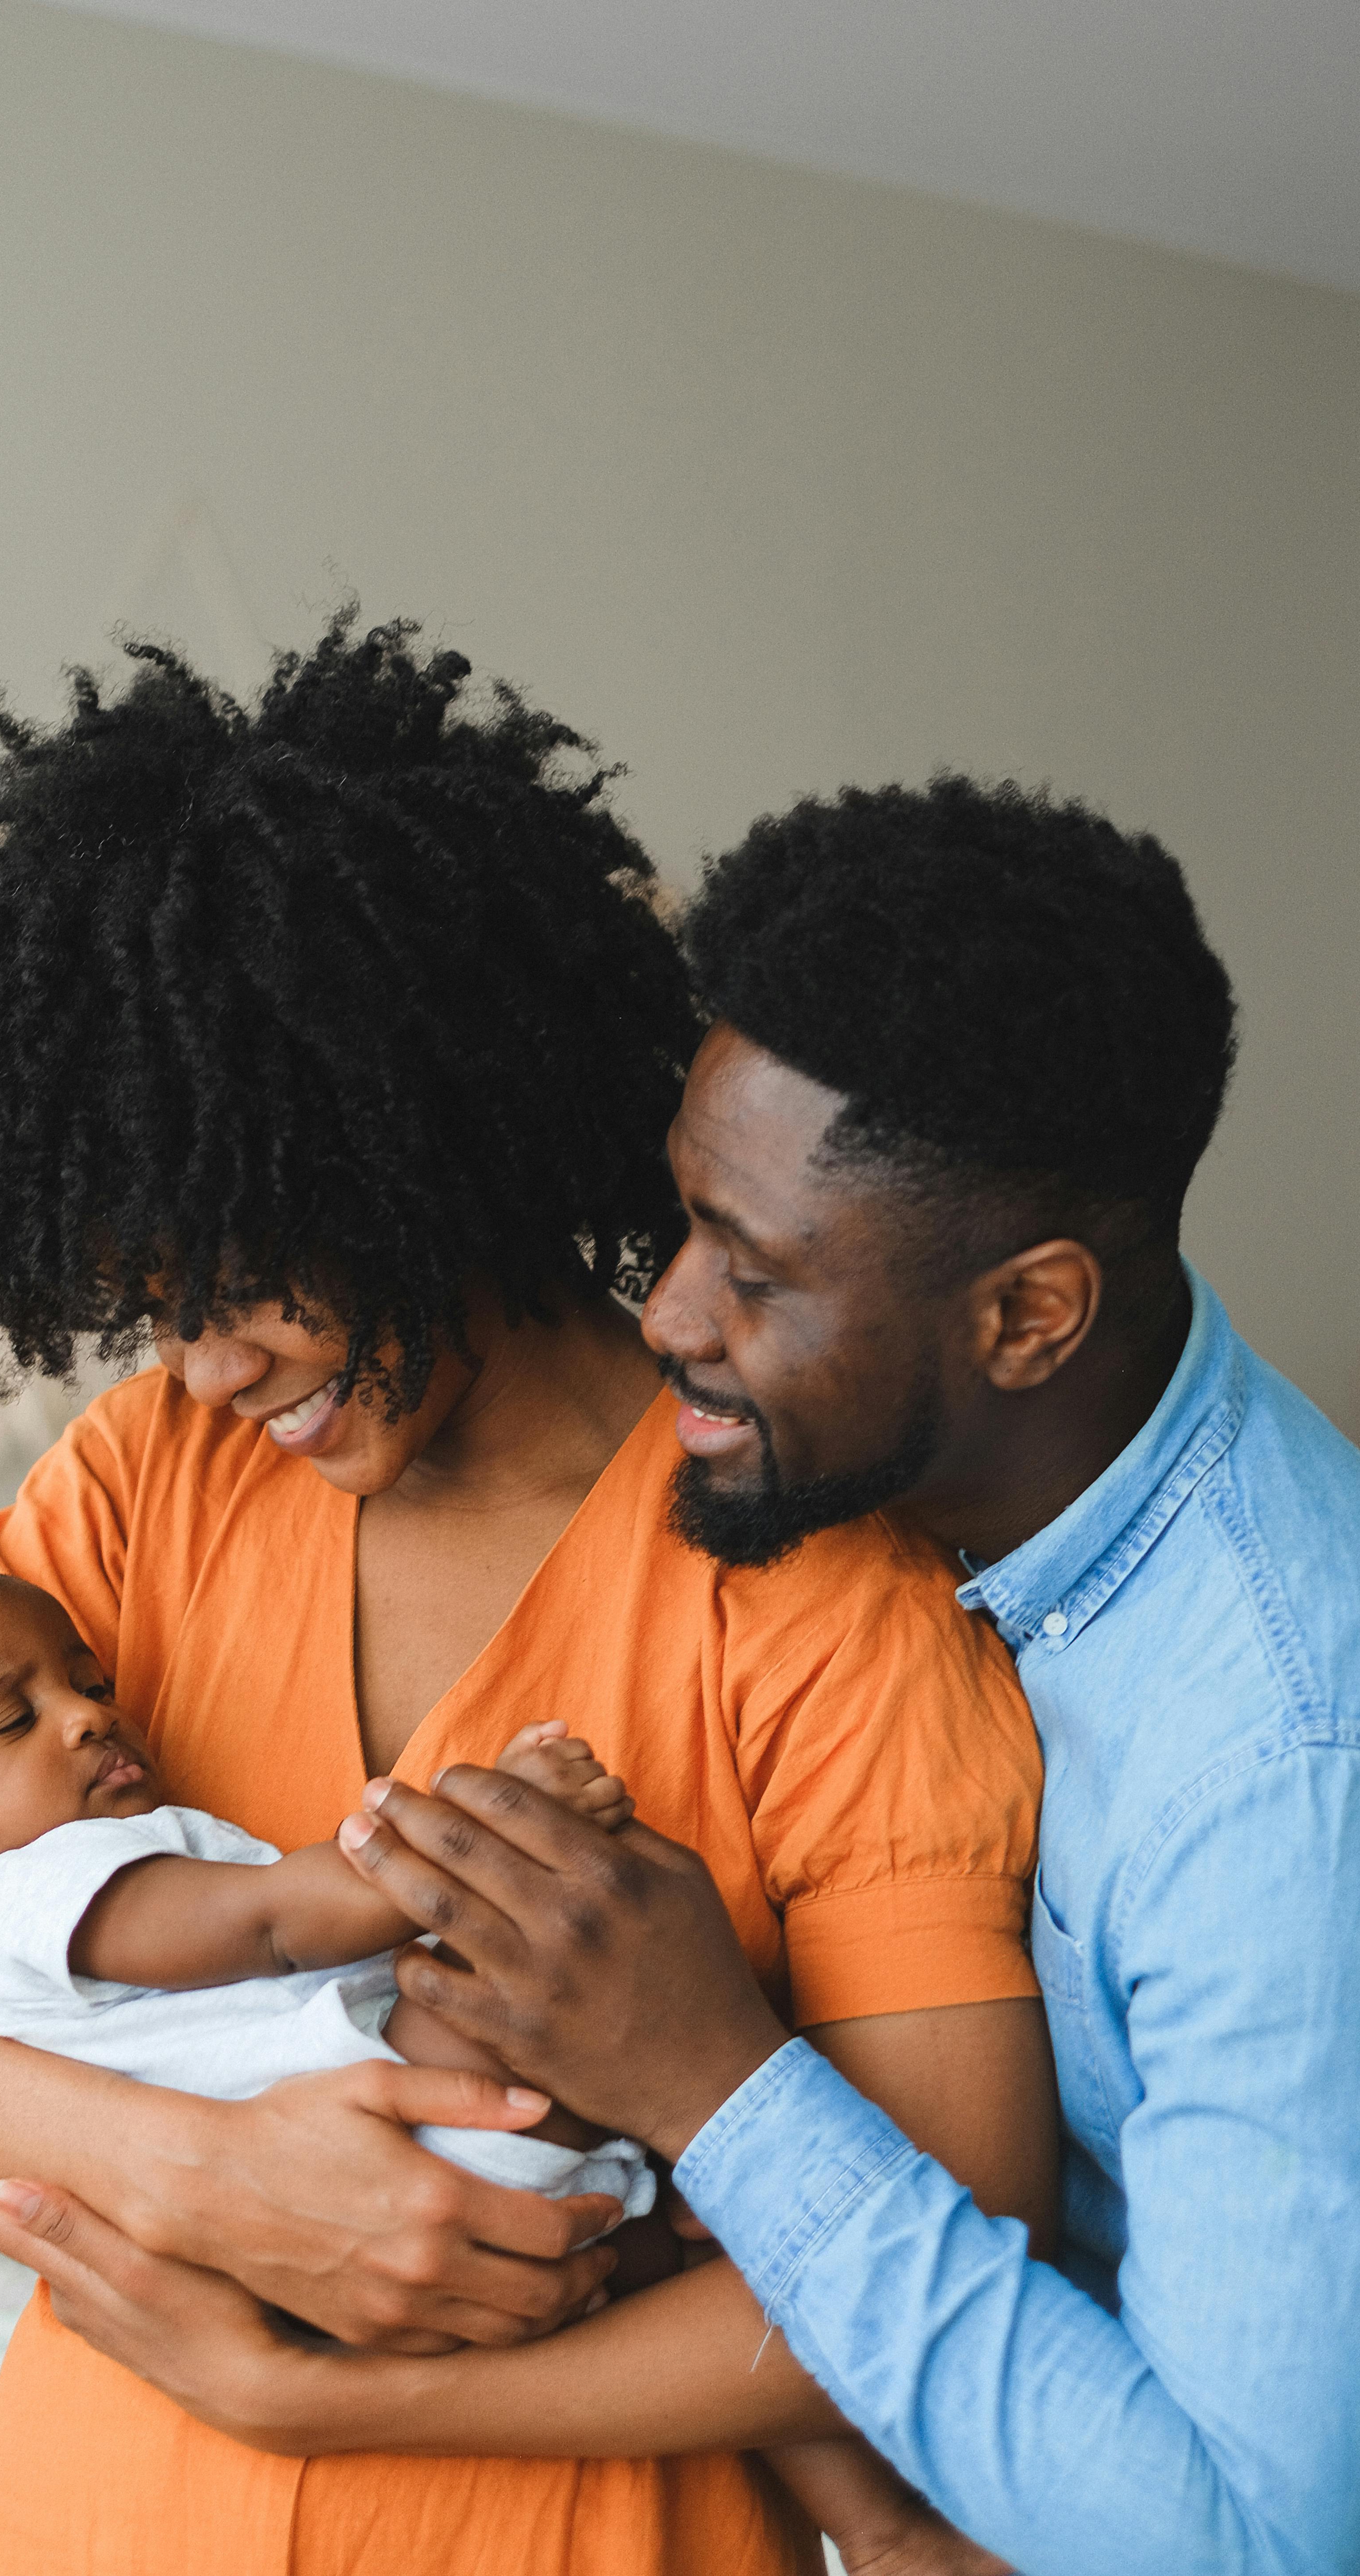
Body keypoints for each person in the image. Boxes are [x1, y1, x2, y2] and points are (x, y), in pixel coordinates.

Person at [0, 629, 1051, 2576]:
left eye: (249, 1276)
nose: (206, 1370)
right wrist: (209, 2183)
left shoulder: (821, 1604)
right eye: (154, 1307)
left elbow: (945, 2253)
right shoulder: (143, 1482)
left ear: (428, 1147)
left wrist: (335, 2386)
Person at [305, 780, 1360, 2574]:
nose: (667, 1317)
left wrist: (711, 2081)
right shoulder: (890, 1509)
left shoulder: (1275, 1761)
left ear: (1029, 1316)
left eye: (760, 1273)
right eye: (683, 1223)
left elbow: (1245, 2543)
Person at [0, 1564, 651, 2213]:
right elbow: (274, 1921)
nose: (90, 1713)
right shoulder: (26, 1896)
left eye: (90, 1681)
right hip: (399, 2139)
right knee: (486, 1975)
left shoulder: (71, 1867)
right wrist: (490, 1824)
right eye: (16, 1720)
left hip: (422, 2151)